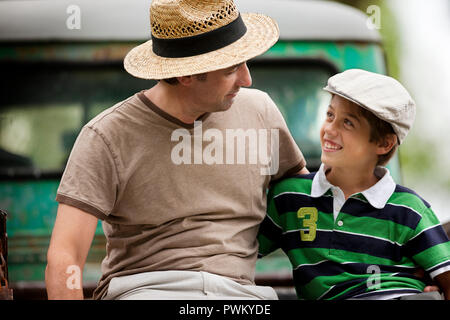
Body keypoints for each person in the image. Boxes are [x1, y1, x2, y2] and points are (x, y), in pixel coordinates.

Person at [45, 0, 308, 300]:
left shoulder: (260, 112)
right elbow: (65, 256)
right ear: (186, 75)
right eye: (232, 68)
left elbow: (303, 196)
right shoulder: (107, 136)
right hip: (145, 291)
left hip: (242, 296)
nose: (247, 80)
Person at [258, 69, 450, 300]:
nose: (330, 129)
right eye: (330, 115)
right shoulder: (289, 198)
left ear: (383, 143)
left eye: (347, 123)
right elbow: (241, 251)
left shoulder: (409, 210)